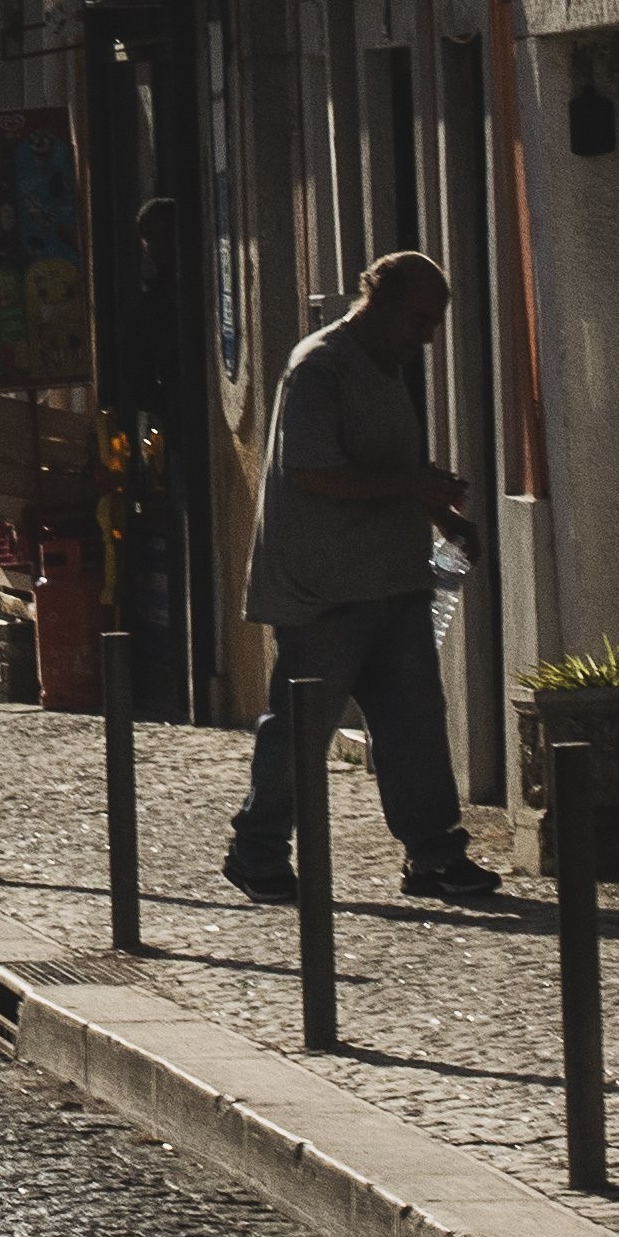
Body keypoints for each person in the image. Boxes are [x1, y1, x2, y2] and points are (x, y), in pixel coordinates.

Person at [227, 248, 506, 908]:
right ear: (378, 302)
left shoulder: (386, 368)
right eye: (420, 320)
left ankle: (434, 855)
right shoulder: (320, 368)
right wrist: (415, 487)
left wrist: (442, 515)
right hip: (324, 592)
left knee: (415, 724)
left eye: (434, 322)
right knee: (299, 731)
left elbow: (390, 464)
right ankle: (257, 852)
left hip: (392, 582)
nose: (427, 337)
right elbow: (315, 472)